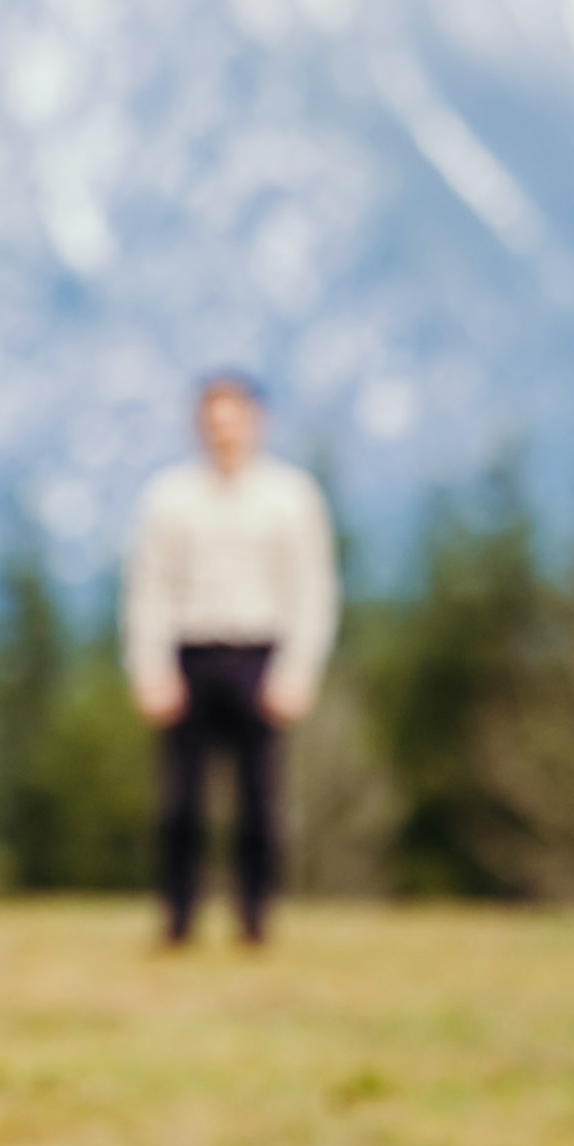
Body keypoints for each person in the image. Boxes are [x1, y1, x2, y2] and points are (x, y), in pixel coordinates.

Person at [121, 373, 338, 946]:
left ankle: (255, 916)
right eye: (213, 420)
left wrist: (296, 672)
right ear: (200, 426)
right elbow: (148, 589)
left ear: (256, 423)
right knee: (181, 804)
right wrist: (150, 670)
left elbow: (312, 592)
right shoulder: (168, 497)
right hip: (187, 656)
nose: (223, 431)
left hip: (259, 656)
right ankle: (179, 917)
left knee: (260, 803)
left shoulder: (293, 497)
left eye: (233, 418)